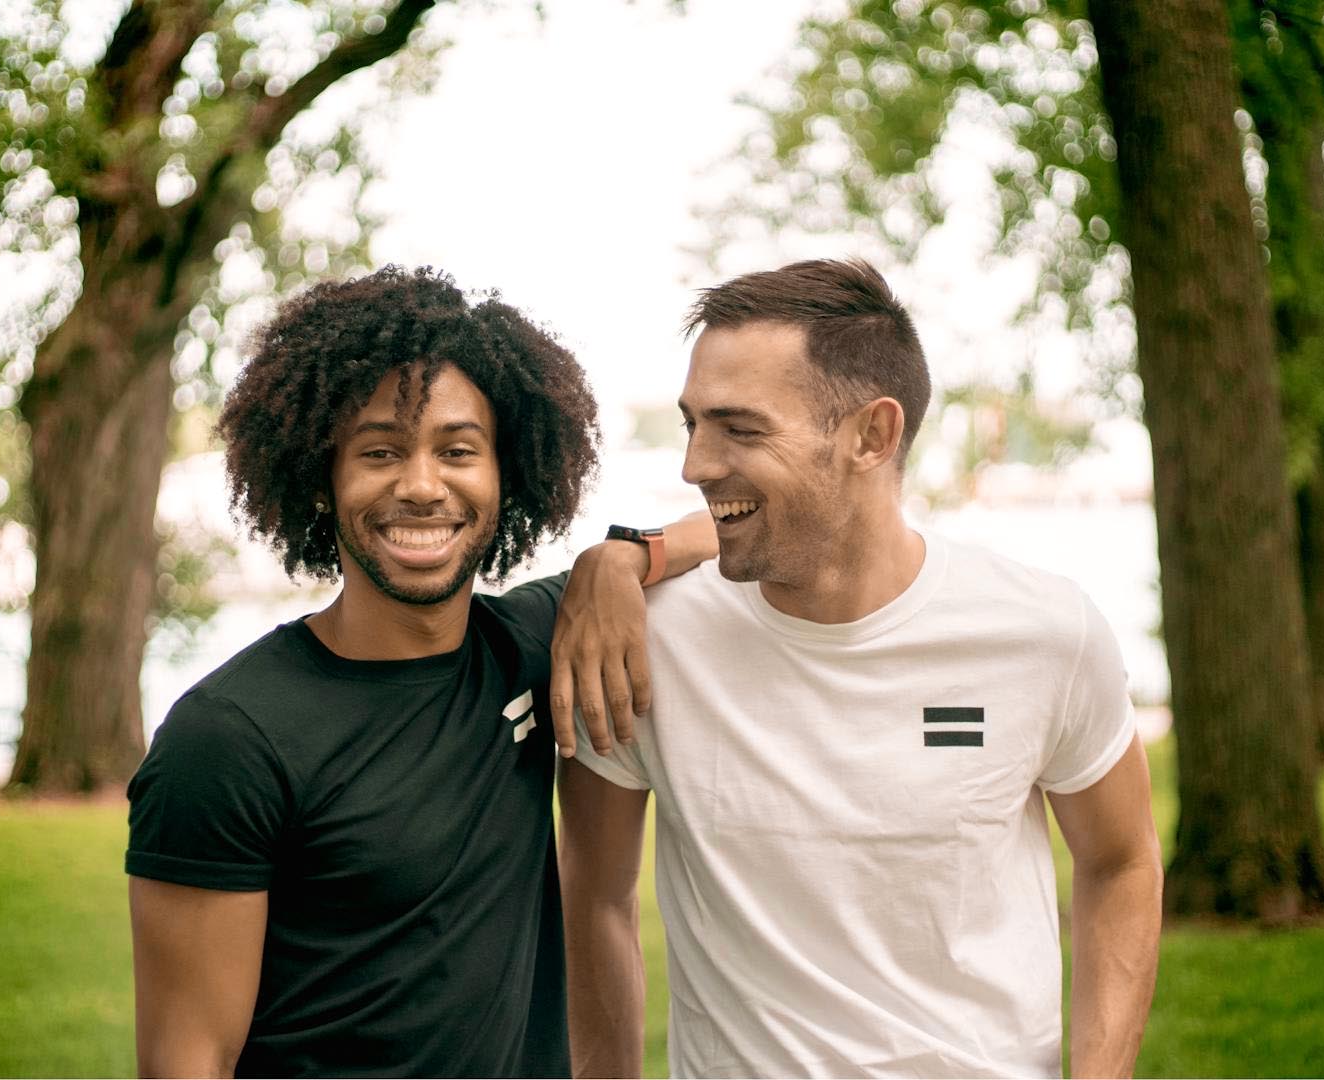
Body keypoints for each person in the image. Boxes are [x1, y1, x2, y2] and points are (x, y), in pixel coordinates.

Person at [557, 258, 1163, 1079]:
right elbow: (594, 899)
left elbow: (1121, 861)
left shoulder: (1044, 634)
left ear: (873, 436)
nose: (695, 465)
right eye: (693, 423)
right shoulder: (643, 643)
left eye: (740, 429)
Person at [124, 266, 713, 1078]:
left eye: (458, 450)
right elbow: (185, 1062)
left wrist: (618, 558)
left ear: (509, 476)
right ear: (321, 482)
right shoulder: (227, 739)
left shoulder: (538, 642)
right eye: (379, 451)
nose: (423, 486)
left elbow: (727, 527)